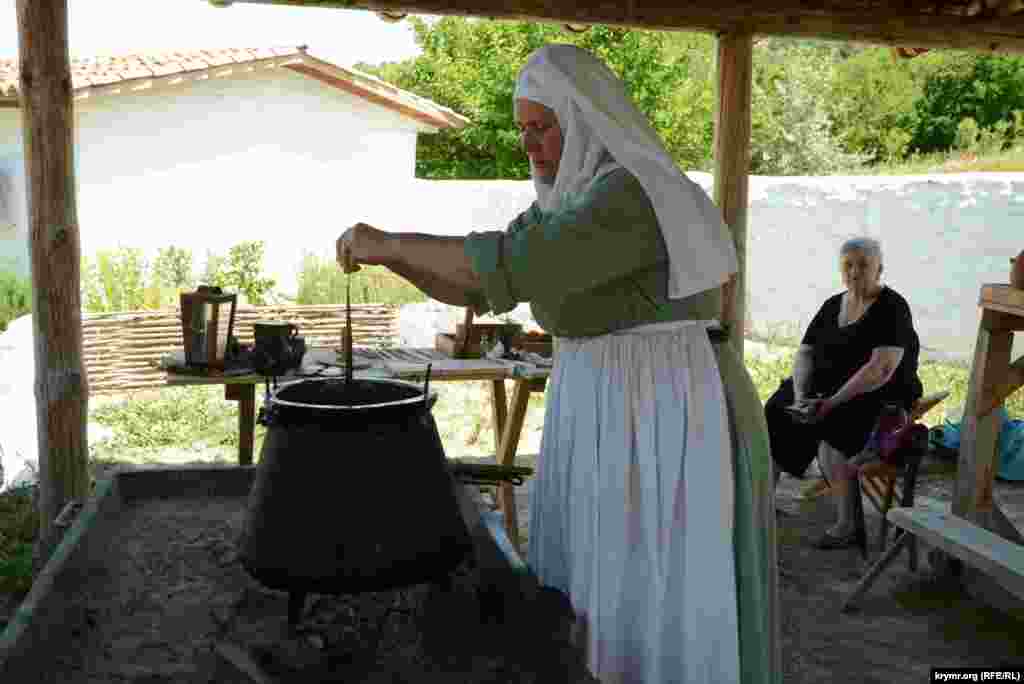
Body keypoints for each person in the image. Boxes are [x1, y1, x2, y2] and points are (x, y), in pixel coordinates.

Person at [337, 44, 779, 684]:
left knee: (659, 581)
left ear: (585, 119)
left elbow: (514, 269)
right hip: (616, 404)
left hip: (669, 408)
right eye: (522, 130)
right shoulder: (567, 201)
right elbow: (479, 285)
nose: (529, 144)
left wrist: (386, 242)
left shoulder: (631, 195)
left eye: (541, 126)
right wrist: (393, 258)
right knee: (611, 581)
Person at [765, 236, 923, 549]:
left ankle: (847, 524)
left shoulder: (892, 307)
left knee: (833, 431)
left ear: (879, 269)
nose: (854, 272)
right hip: (828, 388)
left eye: (863, 265)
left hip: (878, 394)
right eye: (848, 265)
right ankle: (763, 501)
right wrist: (800, 396)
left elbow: (882, 369)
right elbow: (805, 354)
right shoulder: (832, 305)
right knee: (776, 412)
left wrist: (830, 403)